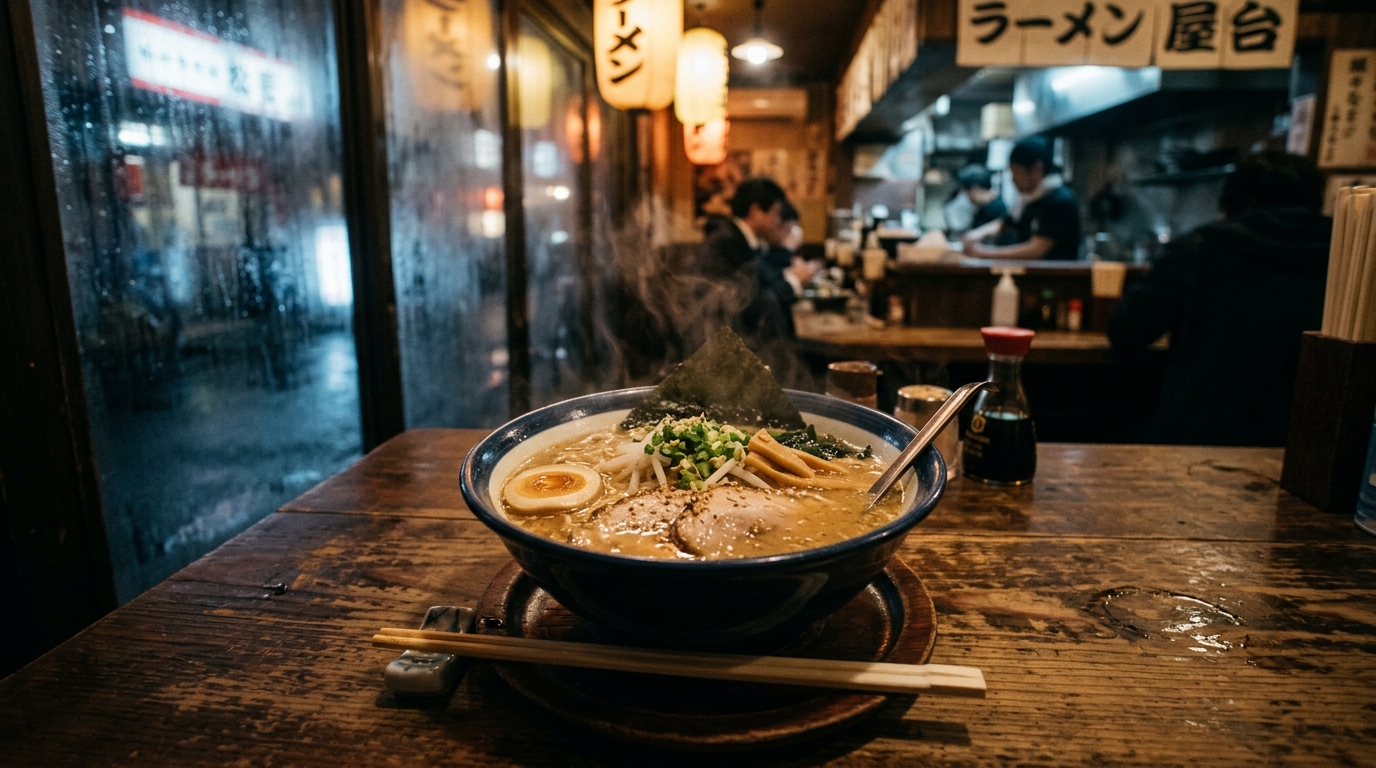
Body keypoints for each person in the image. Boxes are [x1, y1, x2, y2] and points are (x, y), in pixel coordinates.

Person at [1107, 151, 1331, 446]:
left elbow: (1126, 329)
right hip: (1311, 447)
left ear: (1230, 201)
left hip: (1200, 442)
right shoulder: (1347, 254)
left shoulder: (1200, 248)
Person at [962, 136, 1081, 261]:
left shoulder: (1059, 200)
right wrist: (974, 235)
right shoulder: (1027, 198)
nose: (1013, 179)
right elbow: (1004, 224)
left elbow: (1036, 249)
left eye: (1016, 173)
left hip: (1057, 279)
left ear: (1037, 168)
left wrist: (983, 253)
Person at [956, 164, 1008, 230]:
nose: (967, 197)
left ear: (975, 189)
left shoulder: (997, 208)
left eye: (967, 192)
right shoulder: (982, 208)